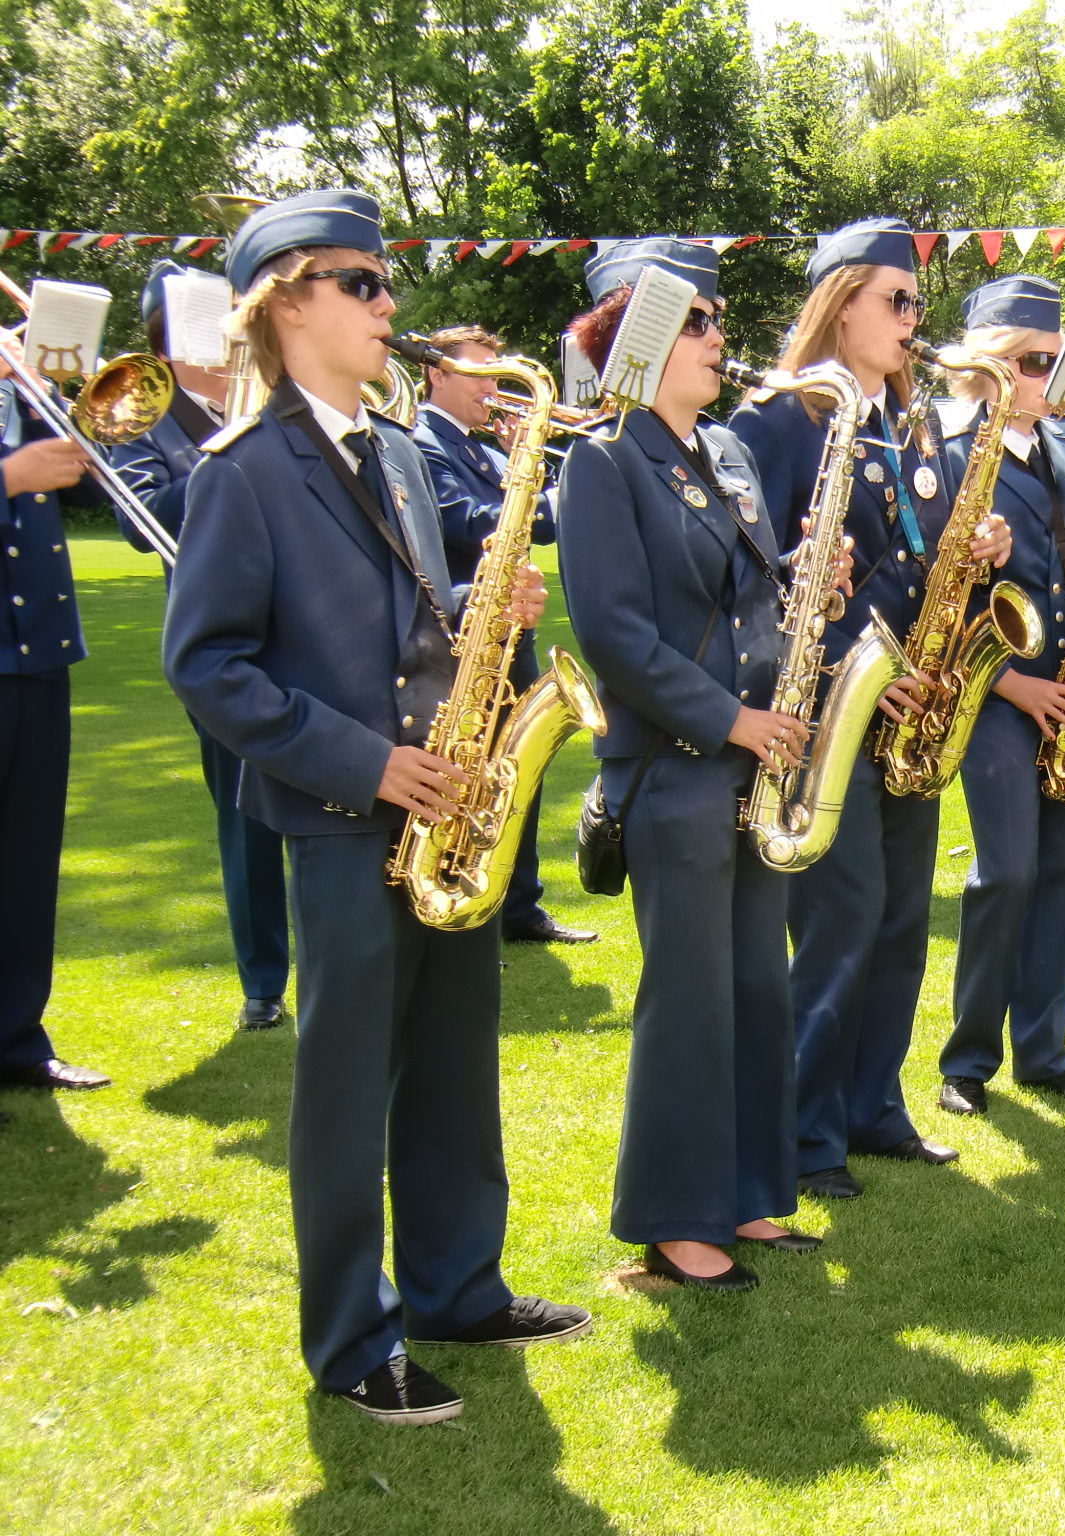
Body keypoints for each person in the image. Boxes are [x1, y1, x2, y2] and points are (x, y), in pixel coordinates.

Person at [163, 189, 589, 1426]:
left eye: (384, 279)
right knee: (347, 1092)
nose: (388, 302)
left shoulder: (397, 450)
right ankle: (354, 1339)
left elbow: (403, 621)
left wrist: (475, 614)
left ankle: (458, 1289)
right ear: (284, 302)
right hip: (348, 817)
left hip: (446, 807)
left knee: (453, 1066)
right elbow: (207, 667)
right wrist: (364, 764)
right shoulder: (242, 470)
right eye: (361, 282)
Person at [556, 237, 828, 1294]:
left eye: (717, 320)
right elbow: (617, 636)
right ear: (638, 335)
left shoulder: (725, 452)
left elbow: (744, 594)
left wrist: (809, 574)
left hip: (752, 766)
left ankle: (749, 1192)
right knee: (689, 998)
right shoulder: (602, 459)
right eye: (698, 322)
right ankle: (676, 1225)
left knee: (757, 983)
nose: (720, 337)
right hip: (677, 768)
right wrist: (731, 721)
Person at [728, 216, 998, 1198]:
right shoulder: (776, 420)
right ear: (839, 303)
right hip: (830, 710)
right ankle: (804, 1132)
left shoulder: (912, 420)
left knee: (897, 920)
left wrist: (979, 549)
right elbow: (756, 582)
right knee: (840, 920)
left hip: (913, 703)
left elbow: (922, 546)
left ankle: (872, 1104)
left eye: (917, 302)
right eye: (897, 301)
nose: (912, 319)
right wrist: (860, 669)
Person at [931, 274, 1065, 1113]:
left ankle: (1045, 1051)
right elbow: (933, 599)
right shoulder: (946, 447)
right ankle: (967, 1061)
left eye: (1059, 362)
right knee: (1009, 872)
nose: (1050, 379)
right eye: (1032, 362)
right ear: (986, 364)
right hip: (997, 691)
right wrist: (1016, 686)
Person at [110, 260, 293, 1031]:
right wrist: (232, 442)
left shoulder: (276, 400)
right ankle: (263, 980)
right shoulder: (142, 417)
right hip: (226, 644)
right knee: (247, 814)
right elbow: (139, 519)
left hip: (307, 624)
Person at [411, 323, 594, 947]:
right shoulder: (423, 440)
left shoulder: (484, 448)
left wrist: (529, 463)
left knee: (516, 774)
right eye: (481, 374)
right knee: (468, 772)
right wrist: (563, 494)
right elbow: (468, 522)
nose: (492, 389)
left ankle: (516, 904)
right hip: (460, 637)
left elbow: (531, 523)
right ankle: (456, 886)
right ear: (437, 372)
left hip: (509, 629)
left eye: (497, 374)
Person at [1, 322, 112, 1096]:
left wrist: (69, 401)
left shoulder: (20, 395)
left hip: (38, 650)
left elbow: (94, 485)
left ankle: (17, 1038)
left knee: (26, 860)